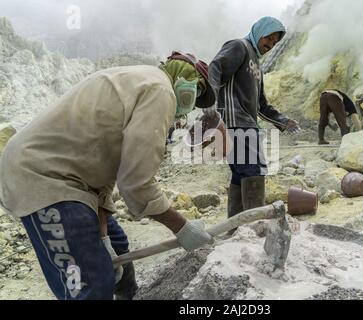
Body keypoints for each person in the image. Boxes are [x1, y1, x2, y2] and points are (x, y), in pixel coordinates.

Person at [0, 52, 216, 300]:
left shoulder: (140, 81)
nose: (192, 103)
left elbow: (103, 178)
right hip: (43, 178)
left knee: (118, 249)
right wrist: (182, 228)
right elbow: (137, 184)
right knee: (89, 284)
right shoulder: (161, 91)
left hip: (73, 181)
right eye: (197, 93)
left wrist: (103, 238)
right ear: (186, 83)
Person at [208, 17, 300, 227]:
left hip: (247, 124)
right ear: (259, 32)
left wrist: (283, 121)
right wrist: (211, 104)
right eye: (268, 38)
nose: (270, 45)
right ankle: (254, 228)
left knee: (241, 174)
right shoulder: (239, 46)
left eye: (275, 43)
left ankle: (236, 228)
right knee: (254, 170)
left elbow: (261, 106)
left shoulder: (256, 64)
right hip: (234, 122)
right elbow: (215, 67)